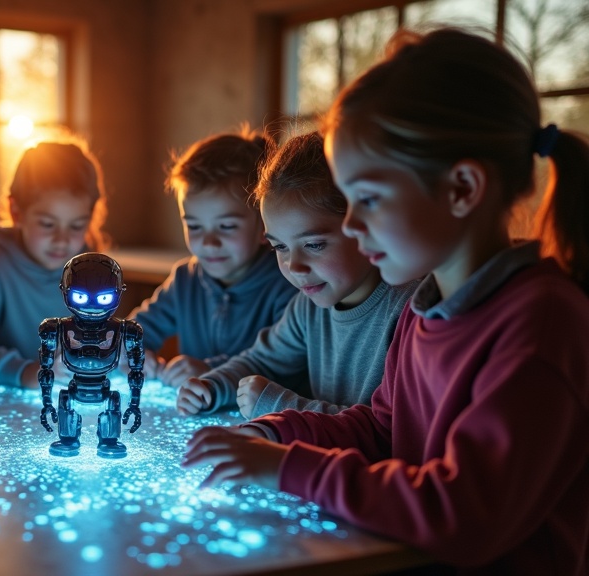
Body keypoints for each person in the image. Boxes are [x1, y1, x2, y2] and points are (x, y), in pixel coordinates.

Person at [183, 28, 589, 574]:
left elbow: (463, 516)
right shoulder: (427, 309)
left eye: (368, 199)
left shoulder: (541, 323)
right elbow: (381, 430)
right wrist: (275, 434)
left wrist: (287, 470)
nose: (351, 226)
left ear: (462, 188)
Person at [175, 132, 418, 419]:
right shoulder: (307, 307)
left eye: (314, 245)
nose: (294, 266)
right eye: (280, 247)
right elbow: (262, 361)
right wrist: (213, 386)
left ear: (363, 226)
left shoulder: (410, 312)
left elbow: (386, 428)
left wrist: (280, 405)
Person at [128, 128, 297, 387]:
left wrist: (211, 370)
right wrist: (134, 353)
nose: (208, 242)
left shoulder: (286, 284)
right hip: (194, 408)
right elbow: (136, 330)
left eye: (226, 226)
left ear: (265, 225)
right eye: (194, 226)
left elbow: (284, 362)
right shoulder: (185, 280)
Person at [0, 139, 108, 388]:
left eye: (77, 226)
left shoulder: (92, 271)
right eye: (47, 224)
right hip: (3, 400)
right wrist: (23, 372)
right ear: (17, 211)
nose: (62, 239)